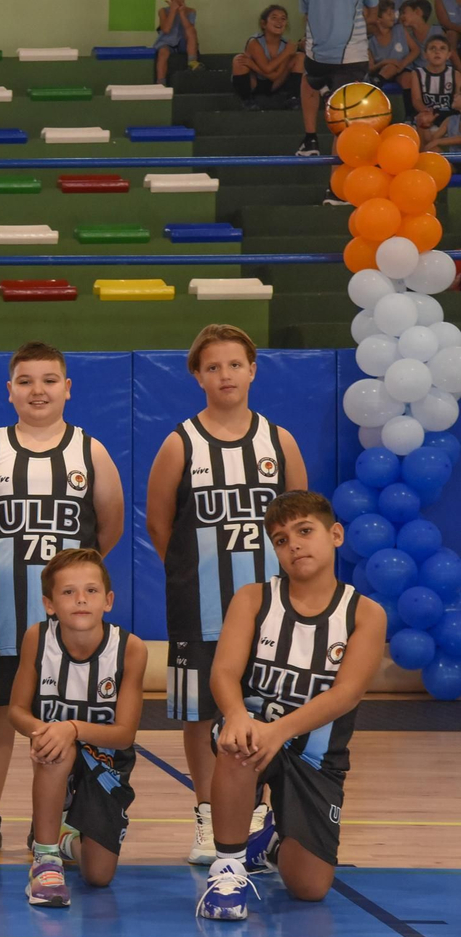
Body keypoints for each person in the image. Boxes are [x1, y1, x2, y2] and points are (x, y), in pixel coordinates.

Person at [0, 341, 124, 857]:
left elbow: (108, 529)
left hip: (71, 622)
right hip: (1, 609)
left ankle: (58, 817)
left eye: (49, 380)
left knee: (69, 710)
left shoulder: (91, 452)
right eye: (25, 381)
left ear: (67, 388)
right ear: (10, 391)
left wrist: (72, 584)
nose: (38, 390)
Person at [146, 323, 307, 865]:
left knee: (267, 708)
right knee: (199, 714)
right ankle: (207, 813)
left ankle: (259, 816)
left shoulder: (279, 442)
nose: (225, 375)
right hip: (200, 606)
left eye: (235, 364)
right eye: (212, 367)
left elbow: (300, 521)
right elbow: (160, 526)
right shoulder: (180, 443)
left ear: (253, 370)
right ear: (198, 376)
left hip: (272, 612)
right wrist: (194, 573)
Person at [196, 492, 385, 921]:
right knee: (238, 742)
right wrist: (237, 715)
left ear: (335, 535)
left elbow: (346, 694)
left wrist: (279, 731)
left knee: (310, 889)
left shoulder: (365, 614)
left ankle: (271, 839)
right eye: (281, 540)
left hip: (315, 755)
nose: (294, 545)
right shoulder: (254, 599)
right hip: (252, 733)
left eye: (304, 531)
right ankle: (227, 870)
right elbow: (223, 673)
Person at [7, 548, 146, 909]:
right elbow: (16, 711)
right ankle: (46, 858)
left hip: (107, 764)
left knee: (98, 876)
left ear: (108, 600)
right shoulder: (37, 638)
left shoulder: (130, 648)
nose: (81, 599)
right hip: (56, 755)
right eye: (68, 592)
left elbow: (124, 735)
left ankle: (62, 837)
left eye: (91, 590)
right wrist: (46, 731)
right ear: (49, 604)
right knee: (57, 744)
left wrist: (71, 727)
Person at [293, 0, 379, 156]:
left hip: (317, 56)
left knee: (308, 79)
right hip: (352, 57)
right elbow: (373, 15)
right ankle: (335, 183)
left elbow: (307, 14)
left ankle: (310, 139)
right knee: (344, 125)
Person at [231, 4, 304, 109]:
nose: (279, 21)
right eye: (274, 18)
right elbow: (267, 68)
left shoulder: (286, 46)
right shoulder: (254, 42)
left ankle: (293, 98)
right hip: (254, 82)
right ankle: (247, 100)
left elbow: (275, 76)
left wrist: (252, 64)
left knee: (300, 57)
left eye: (283, 19)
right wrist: (286, 53)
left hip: (276, 83)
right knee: (238, 60)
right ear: (263, 24)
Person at [408, 34, 460, 152]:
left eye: (442, 48)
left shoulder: (455, 74)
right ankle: (424, 155)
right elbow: (416, 100)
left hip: (449, 116)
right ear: (425, 54)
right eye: (433, 48)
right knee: (422, 120)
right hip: (427, 114)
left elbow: (458, 99)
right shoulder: (417, 74)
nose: (437, 52)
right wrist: (426, 113)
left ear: (449, 55)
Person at [153, 0, 201, 86]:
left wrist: (182, 13)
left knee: (192, 31)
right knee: (163, 52)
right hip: (167, 43)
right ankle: (161, 83)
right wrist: (173, 11)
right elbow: (166, 29)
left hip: (184, 44)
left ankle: (192, 61)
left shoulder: (191, 11)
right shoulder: (163, 11)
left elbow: (189, 29)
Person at [367, 0, 417, 83]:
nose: (393, 16)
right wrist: (385, 62)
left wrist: (402, 64)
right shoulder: (370, 42)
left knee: (407, 78)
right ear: (378, 19)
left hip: (403, 68)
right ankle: (376, 84)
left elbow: (415, 50)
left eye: (393, 13)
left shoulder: (400, 30)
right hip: (381, 71)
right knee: (390, 67)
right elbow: (371, 67)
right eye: (389, 14)